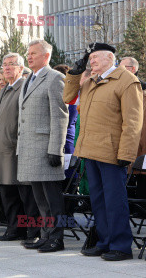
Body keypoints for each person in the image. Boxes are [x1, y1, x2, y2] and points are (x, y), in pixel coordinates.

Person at [64, 43, 143, 261]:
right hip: (90, 151)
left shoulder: (127, 81)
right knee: (97, 200)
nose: (92, 61)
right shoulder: (90, 81)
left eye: (96, 57)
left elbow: (133, 120)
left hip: (112, 152)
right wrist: (75, 72)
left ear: (110, 57)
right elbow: (67, 97)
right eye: (90, 58)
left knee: (115, 201)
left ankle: (121, 246)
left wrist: (126, 154)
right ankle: (105, 242)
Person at [17, 40, 69, 253]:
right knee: (40, 198)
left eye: (34, 53)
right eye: (28, 53)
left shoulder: (55, 78)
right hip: (30, 147)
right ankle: (46, 235)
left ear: (46, 56)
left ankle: (57, 239)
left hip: (46, 147)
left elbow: (60, 116)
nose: (29, 57)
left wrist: (56, 148)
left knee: (52, 198)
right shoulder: (29, 78)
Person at [0, 53, 40, 242]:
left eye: (12, 64)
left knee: (27, 195)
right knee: (8, 193)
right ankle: (15, 229)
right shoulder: (4, 90)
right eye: (5, 65)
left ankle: (34, 232)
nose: (7, 68)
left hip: (18, 149)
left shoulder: (25, 87)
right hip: (2, 150)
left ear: (21, 68)